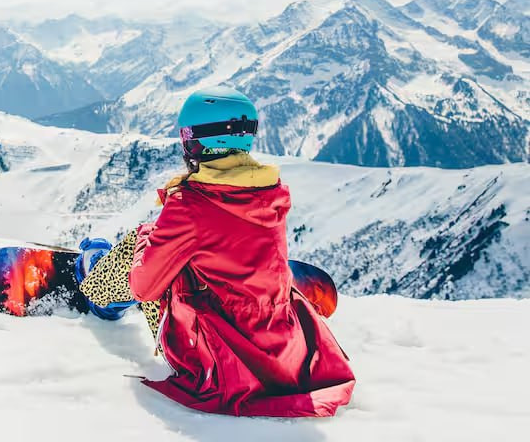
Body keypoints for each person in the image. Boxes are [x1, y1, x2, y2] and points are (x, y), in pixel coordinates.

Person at [75, 86, 355, 417]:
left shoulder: (191, 204)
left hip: (218, 364)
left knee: (143, 242)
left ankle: (97, 291)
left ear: (194, 141)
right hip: (283, 353)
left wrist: (147, 241)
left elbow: (145, 287)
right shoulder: (271, 192)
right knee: (177, 251)